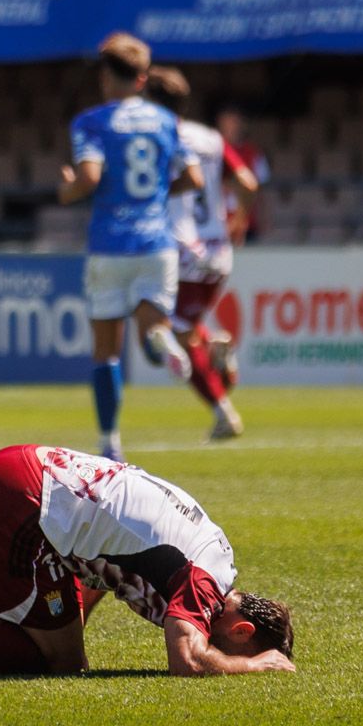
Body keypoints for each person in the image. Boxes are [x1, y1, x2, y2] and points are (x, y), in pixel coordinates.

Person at [0, 443, 295, 678]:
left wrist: (66, 620)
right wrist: (252, 667)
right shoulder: (203, 581)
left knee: (51, 645)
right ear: (241, 631)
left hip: (19, 473)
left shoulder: (213, 550)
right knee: (60, 663)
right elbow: (187, 658)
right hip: (24, 504)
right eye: (239, 650)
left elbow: (109, 558)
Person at [58, 33, 202, 461]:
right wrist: (157, 194)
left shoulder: (92, 122)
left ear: (106, 77)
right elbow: (193, 177)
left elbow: (89, 178)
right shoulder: (165, 121)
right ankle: (162, 341)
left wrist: (66, 190)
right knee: (152, 329)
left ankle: (110, 443)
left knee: (106, 351)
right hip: (156, 244)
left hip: (109, 245)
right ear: (142, 79)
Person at [147, 68, 259, 441]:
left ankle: (222, 412)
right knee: (185, 329)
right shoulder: (211, 138)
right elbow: (247, 183)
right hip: (219, 251)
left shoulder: (160, 137)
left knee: (168, 335)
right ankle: (213, 347)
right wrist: (239, 221)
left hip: (181, 252)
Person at [215, 106, 272, 243]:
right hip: (217, 223)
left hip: (247, 224)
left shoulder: (254, 153)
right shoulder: (212, 152)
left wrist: (265, 218)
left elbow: (260, 190)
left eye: (234, 122)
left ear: (242, 124)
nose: (230, 127)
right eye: (226, 122)